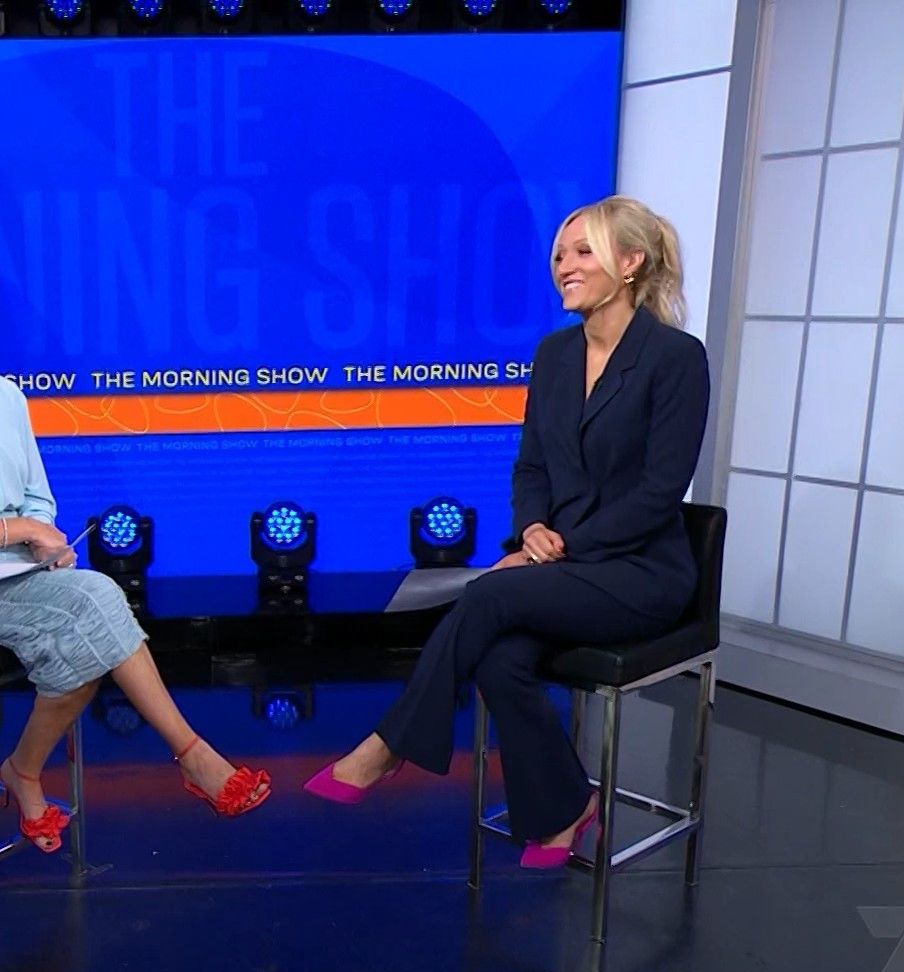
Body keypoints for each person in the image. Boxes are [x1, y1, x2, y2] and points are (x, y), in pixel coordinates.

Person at [304, 196, 710, 870]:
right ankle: (567, 806)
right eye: (560, 255)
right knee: (498, 659)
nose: (564, 266)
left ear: (630, 263)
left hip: (640, 572)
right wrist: (533, 527)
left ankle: (388, 746)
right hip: (561, 566)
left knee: (489, 595)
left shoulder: (675, 358)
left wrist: (557, 550)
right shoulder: (554, 355)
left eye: (583, 252)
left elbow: (658, 494)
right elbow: (532, 466)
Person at [0, 247, 271, 853]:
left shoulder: (5, 397)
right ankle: (188, 755)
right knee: (95, 606)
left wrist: (43, 540)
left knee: (87, 619)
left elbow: (39, 499)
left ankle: (27, 769)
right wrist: (22, 531)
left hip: (15, 569)